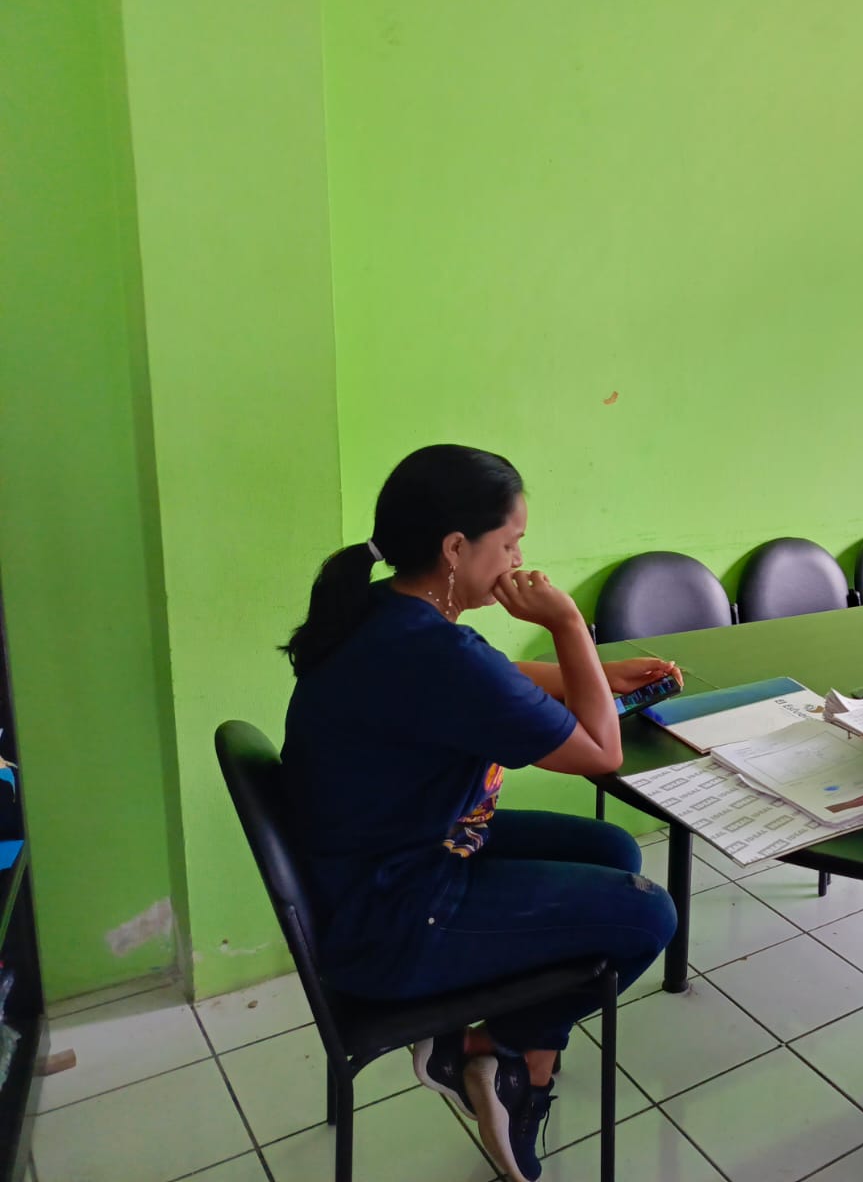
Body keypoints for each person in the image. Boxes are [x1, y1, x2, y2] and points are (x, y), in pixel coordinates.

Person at [280, 444, 680, 1182]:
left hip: (378, 867)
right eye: (511, 542)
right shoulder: (438, 652)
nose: (520, 560)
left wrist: (591, 674)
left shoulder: (384, 611)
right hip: (396, 916)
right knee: (648, 914)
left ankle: (512, 1066)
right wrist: (569, 625)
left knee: (612, 851)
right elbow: (602, 752)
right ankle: (492, 1057)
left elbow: (486, 676)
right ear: (456, 548)